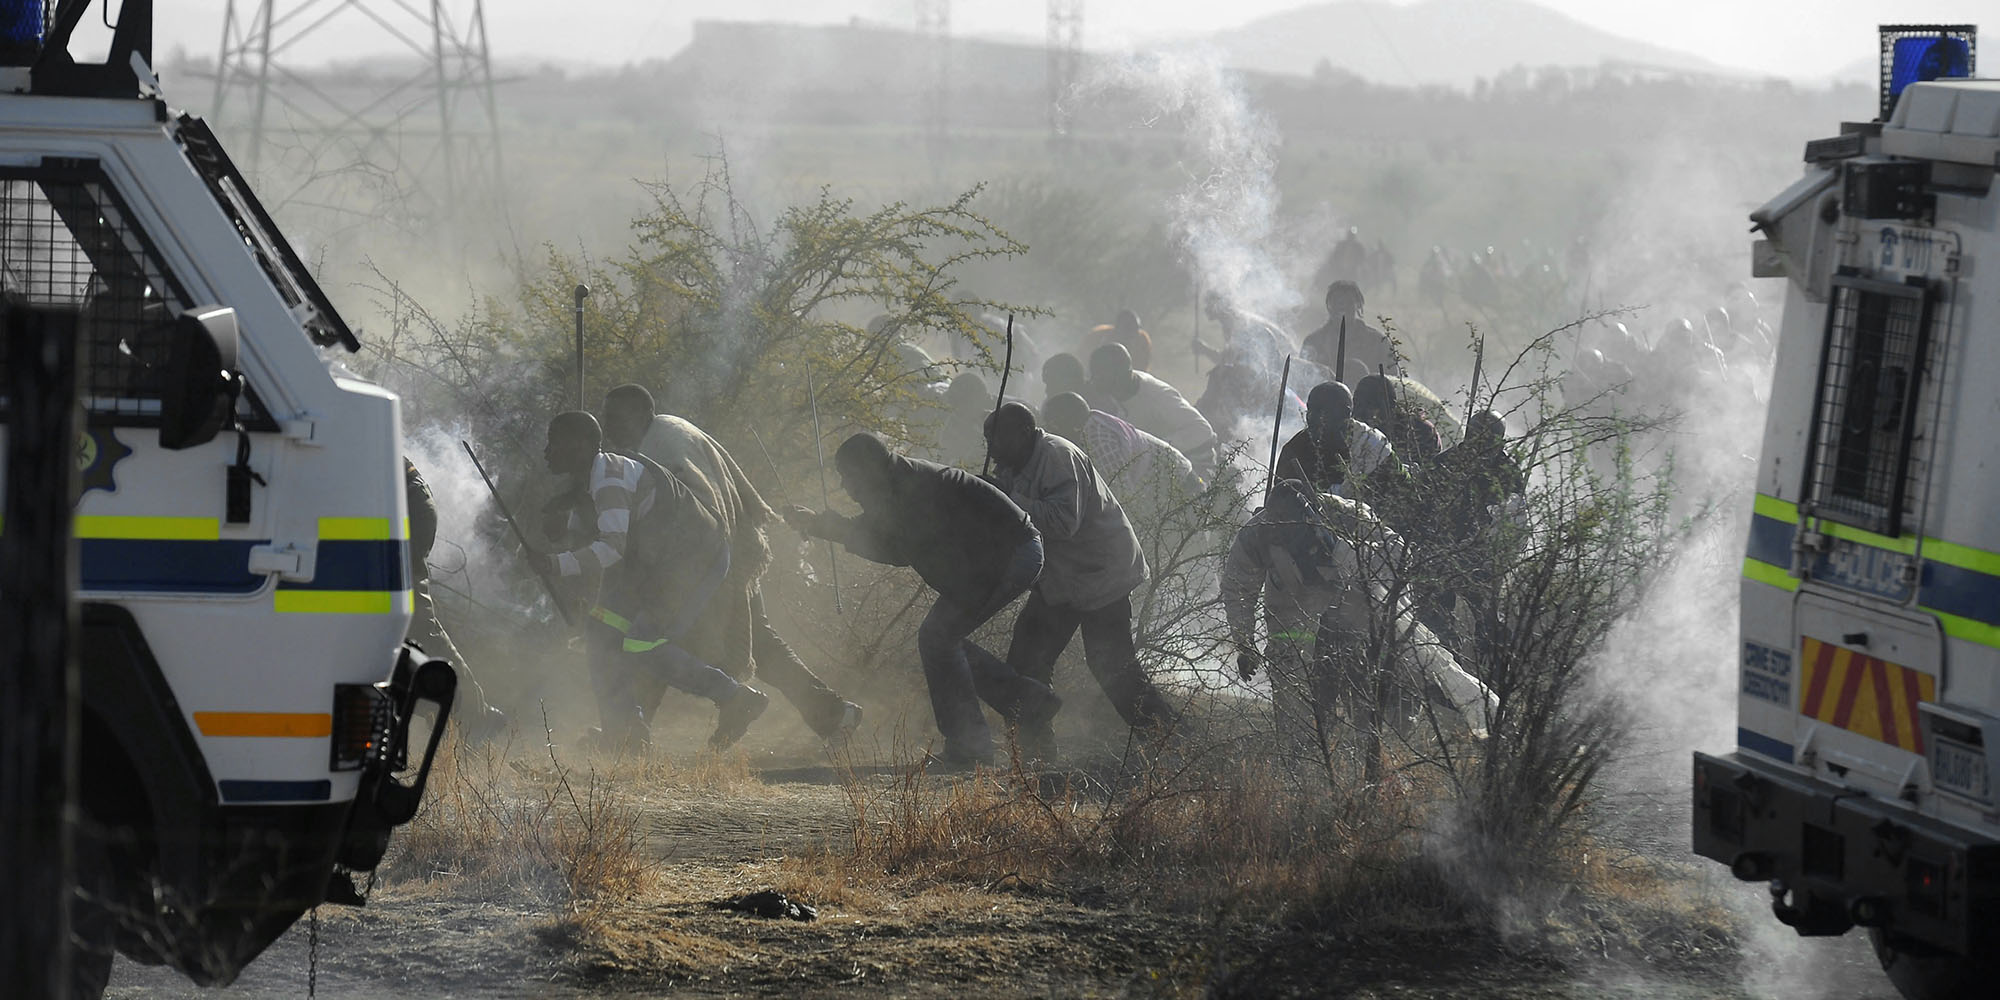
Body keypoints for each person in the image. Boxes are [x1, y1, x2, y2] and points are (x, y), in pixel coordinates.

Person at [601, 384, 865, 742]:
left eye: (613, 416)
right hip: (730, 548)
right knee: (755, 642)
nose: (607, 424)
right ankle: (835, 714)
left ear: (636, 414)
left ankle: (630, 732)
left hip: (713, 558)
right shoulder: (668, 429)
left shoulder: (661, 446)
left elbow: (691, 510)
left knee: (653, 634)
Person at [785, 433, 1059, 767]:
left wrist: (828, 527)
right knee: (942, 640)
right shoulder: (897, 486)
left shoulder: (912, 491)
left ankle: (972, 745)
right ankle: (1027, 707)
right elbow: (890, 541)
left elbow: (895, 546)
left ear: (868, 472)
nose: (847, 488)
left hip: (1012, 553)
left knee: (939, 638)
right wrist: (822, 525)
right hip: (996, 558)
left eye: (848, 478)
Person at [531, 411, 771, 751]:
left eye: (554, 442)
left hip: (695, 561)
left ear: (582, 445)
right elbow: (615, 520)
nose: (547, 451)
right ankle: (626, 733)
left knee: (639, 641)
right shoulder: (598, 475)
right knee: (602, 633)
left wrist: (555, 564)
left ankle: (733, 698)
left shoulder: (608, 478)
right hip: (662, 567)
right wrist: (568, 525)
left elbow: (612, 548)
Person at [984, 403, 1172, 755]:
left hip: (1101, 574)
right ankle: (1035, 750)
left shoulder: (1057, 456)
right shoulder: (1013, 466)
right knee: (1026, 657)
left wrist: (1004, 499)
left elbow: (1062, 522)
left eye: (998, 438)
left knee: (1111, 667)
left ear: (1024, 433)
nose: (991, 448)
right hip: (1063, 579)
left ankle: (1171, 744)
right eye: (987, 440)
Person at [404, 457, 506, 741]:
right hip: (389, 501)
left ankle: (474, 714)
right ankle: (449, 710)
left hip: (402, 503)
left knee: (413, 618)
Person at [1423, 410, 1525, 660]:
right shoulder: (1445, 463)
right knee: (1435, 614)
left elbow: (1514, 526)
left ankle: (1493, 672)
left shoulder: (1507, 473)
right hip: (1443, 553)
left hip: (1484, 559)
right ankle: (1444, 664)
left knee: (1491, 622)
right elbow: (1422, 508)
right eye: (1475, 438)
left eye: (1487, 441)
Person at [1041, 391, 1202, 534]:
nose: (1050, 432)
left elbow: (1121, 499)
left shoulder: (1097, 440)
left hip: (1181, 490)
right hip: (1166, 491)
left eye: (1053, 425)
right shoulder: (1091, 428)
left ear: (1071, 423)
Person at [1087, 342, 1217, 475]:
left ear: (1118, 374)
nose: (1095, 380)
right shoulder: (1116, 394)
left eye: (1100, 374)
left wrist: (1156, 449)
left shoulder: (1156, 396)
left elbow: (1201, 429)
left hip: (1195, 468)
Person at [1274, 381, 1402, 501]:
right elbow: (1279, 502)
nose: (1312, 417)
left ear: (1345, 414)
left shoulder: (1372, 447)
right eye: (1310, 409)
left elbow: (1401, 497)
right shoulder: (1295, 449)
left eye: (1321, 411)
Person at [1301, 281, 1396, 383]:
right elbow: (1302, 380)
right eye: (1337, 302)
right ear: (1329, 306)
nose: (1342, 306)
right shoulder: (1314, 342)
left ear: (1358, 305)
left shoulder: (1378, 342)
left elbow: (1392, 383)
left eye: (1348, 302)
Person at [1351, 373, 1442, 467]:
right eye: (1361, 407)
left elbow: (1429, 470)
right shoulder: (1357, 431)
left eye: (1373, 406)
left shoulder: (1421, 431)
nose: (1369, 414)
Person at [1088, 310, 1154, 372]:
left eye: (1135, 329)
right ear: (1116, 329)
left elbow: (1142, 369)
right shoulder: (1097, 336)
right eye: (1127, 329)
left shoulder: (1142, 340)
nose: (1132, 334)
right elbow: (1083, 360)